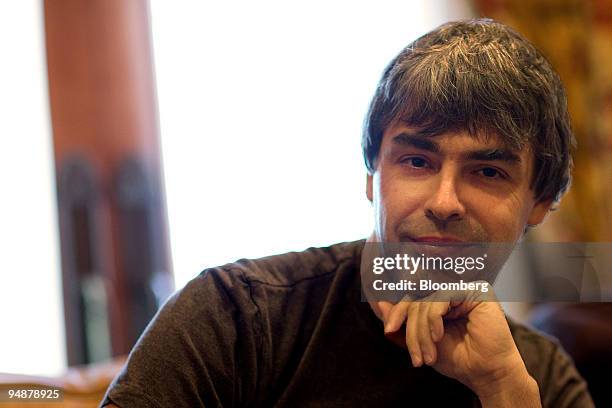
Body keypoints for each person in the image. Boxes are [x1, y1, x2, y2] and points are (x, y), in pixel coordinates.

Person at [101, 19, 594, 407]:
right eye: (417, 161)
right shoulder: (235, 320)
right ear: (372, 179)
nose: (445, 202)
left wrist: (503, 389)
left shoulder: (536, 374)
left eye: (487, 172)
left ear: (540, 203)